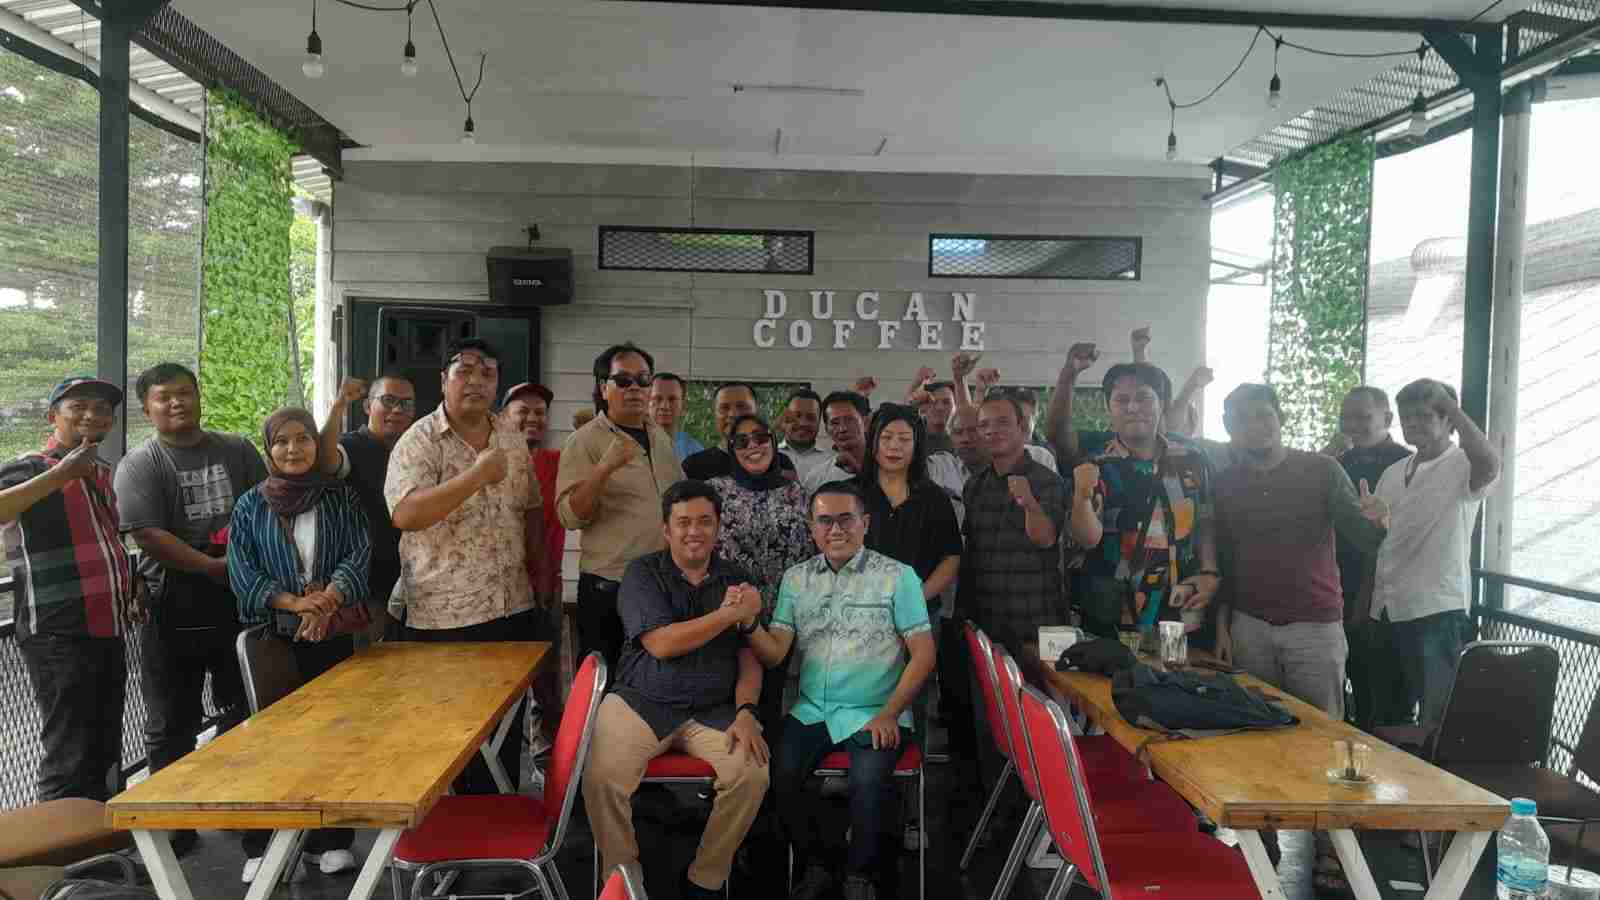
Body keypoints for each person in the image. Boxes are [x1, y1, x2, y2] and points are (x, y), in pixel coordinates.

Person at [1212, 382, 1391, 899]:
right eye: (1243, 419)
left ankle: (1333, 847)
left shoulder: (1322, 470)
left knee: (1326, 740)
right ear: (1230, 429)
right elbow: (1224, 557)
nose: (1256, 425)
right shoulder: (1226, 482)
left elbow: (1363, 537)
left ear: (1279, 417)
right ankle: (1261, 842)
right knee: (1253, 738)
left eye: (1263, 415)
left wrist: (1378, 521)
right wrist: (1223, 624)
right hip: (1249, 624)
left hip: (1316, 626)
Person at [743, 482, 935, 900]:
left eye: (846, 519)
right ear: (811, 528)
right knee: (778, 775)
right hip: (813, 710)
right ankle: (817, 862)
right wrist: (748, 623)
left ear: (865, 523)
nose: (836, 529)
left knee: (868, 781)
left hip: (876, 710)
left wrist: (890, 713)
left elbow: (924, 654)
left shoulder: (897, 577)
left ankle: (860, 874)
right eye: (825, 520)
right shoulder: (797, 579)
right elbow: (775, 653)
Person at [581, 480, 770, 900]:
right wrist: (729, 614)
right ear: (666, 530)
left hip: (714, 709)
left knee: (752, 773)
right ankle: (624, 882)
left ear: (718, 527)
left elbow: (750, 656)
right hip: (640, 701)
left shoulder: (738, 578)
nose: (694, 531)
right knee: (602, 777)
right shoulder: (642, 574)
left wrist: (747, 711)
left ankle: (705, 879)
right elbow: (662, 644)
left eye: (705, 521)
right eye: (683, 522)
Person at [385, 337, 545, 794]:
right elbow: (406, 513)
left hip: (512, 608)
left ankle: (493, 828)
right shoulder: (419, 440)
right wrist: (476, 476)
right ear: (443, 380)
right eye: (464, 371)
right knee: (445, 741)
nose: (476, 381)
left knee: (502, 736)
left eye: (487, 373)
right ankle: (444, 835)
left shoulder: (510, 436)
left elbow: (531, 508)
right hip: (445, 618)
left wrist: (542, 579)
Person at [228, 407, 370, 882]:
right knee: (268, 743)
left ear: (316, 444)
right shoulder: (250, 505)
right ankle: (264, 846)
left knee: (332, 737)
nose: (294, 449)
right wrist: (295, 603)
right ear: (268, 449)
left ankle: (330, 842)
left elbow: (359, 553)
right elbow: (242, 571)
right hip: (271, 639)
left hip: (330, 635)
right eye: (282, 441)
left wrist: (327, 599)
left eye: (304, 438)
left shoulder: (340, 497)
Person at [117, 363, 260, 788]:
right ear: (147, 409)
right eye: (164, 397)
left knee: (246, 706)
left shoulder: (237, 450)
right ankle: (170, 817)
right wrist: (212, 567)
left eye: (185, 392)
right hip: (172, 601)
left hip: (239, 596)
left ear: (199, 396)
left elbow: (267, 506)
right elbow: (148, 534)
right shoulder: (140, 464)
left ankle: (242, 803)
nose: (176, 403)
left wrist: (244, 563)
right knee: (172, 721)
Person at [4, 377, 142, 802]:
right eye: (78, 406)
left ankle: (100, 838)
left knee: (103, 748)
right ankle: (60, 845)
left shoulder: (102, 472)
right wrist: (61, 474)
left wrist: (130, 582)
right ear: (53, 416)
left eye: (101, 409)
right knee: (69, 754)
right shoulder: (30, 466)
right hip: (57, 632)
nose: (91, 415)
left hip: (107, 626)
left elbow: (105, 540)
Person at [1056, 345, 1221, 640]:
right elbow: (1087, 537)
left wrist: (1210, 572)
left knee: (1182, 671)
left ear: (1162, 404)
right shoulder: (1097, 465)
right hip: (1112, 618)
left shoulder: (1192, 458)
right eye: (1121, 399)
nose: (1133, 407)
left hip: (1180, 613)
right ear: (1109, 408)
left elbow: (1206, 519)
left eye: (1144, 397)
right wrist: (1081, 496)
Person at [855, 404, 961, 851]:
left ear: (917, 446)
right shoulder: (854, 494)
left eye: (904, 439)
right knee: (863, 709)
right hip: (860, 623)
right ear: (873, 443)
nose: (895, 447)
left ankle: (910, 816)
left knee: (912, 714)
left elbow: (950, 558)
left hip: (917, 623)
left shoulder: (932, 498)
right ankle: (864, 813)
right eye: (887, 438)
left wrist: (913, 601)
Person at [1368, 379, 1499, 729]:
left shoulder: (1463, 464)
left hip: (1436, 611)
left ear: (1448, 421)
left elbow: (1490, 463)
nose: (1412, 423)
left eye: (1424, 416)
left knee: (1436, 721)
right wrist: (1375, 523)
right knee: (1385, 717)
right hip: (1386, 608)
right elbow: (1382, 536)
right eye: (1407, 416)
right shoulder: (1393, 472)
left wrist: (1452, 405)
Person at [558, 343, 685, 671]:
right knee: (603, 680)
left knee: (651, 679)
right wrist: (604, 468)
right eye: (624, 380)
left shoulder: (660, 438)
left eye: (643, 380)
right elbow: (570, 516)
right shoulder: (584, 441)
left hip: (660, 583)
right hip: (609, 588)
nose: (635, 388)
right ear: (604, 388)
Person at [706, 414, 814, 727]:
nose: (753, 446)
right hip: (727, 614)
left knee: (772, 703)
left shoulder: (798, 494)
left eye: (761, 438)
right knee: (726, 704)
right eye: (742, 441)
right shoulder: (715, 492)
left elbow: (812, 552)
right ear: (731, 449)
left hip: (782, 616)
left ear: (773, 442)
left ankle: (769, 758)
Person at [1321, 386, 1411, 729]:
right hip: (1336, 586)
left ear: (1387, 418)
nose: (1352, 425)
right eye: (1346, 418)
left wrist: (1366, 595)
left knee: (1385, 694)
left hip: (1385, 592)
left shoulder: (1406, 463)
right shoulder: (1336, 462)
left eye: (1363, 417)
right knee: (1347, 681)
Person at [958, 393, 1069, 664]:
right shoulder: (974, 485)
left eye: (1002, 422)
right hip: (986, 623)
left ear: (1022, 427)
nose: (992, 430)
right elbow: (972, 555)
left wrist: (1029, 503)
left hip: (1037, 621)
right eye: (984, 425)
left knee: (1046, 691)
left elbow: (1046, 539)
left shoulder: (1047, 481)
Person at [318, 372, 416, 636]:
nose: (398, 409)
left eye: (406, 403)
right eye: (388, 400)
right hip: (364, 591)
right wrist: (339, 404)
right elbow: (326, 462)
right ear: (367, 406)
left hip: (413, 586)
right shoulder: (351, 446)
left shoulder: (417, 450)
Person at [503, 381, 567, 751]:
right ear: (504, 417)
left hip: (547, 587)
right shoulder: (491, 464)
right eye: (523, 411)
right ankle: (503, 757)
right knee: (504, 681)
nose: (532, 418)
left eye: (540, 412)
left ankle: (548, 759)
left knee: (548, 682)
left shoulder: (560, 463)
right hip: (501, 591)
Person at [684, 382, 796, 481]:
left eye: (741, 406)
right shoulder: (694, 466)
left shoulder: (781, 462)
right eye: (724, 408)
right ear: (715, 414)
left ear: (756, 411)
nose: (733, 414)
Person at [799, 391, 871, 494]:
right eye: (835, 423)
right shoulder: (817, 477)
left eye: (850, 420)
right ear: (827, 430)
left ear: (866, 422)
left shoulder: (888, 466)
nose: (842, 429)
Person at [778, 388, 832, 487]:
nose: (802, 423)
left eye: (811, 417)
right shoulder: (770, 457)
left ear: (819, 422)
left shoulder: (832, 461)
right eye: (796, 416)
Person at [650, 372, 704, 462]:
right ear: (646, 403)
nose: (664, 406)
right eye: (658, 399)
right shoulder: (632, 447)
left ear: (684, 406)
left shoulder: (694, 451)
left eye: (672, 400)